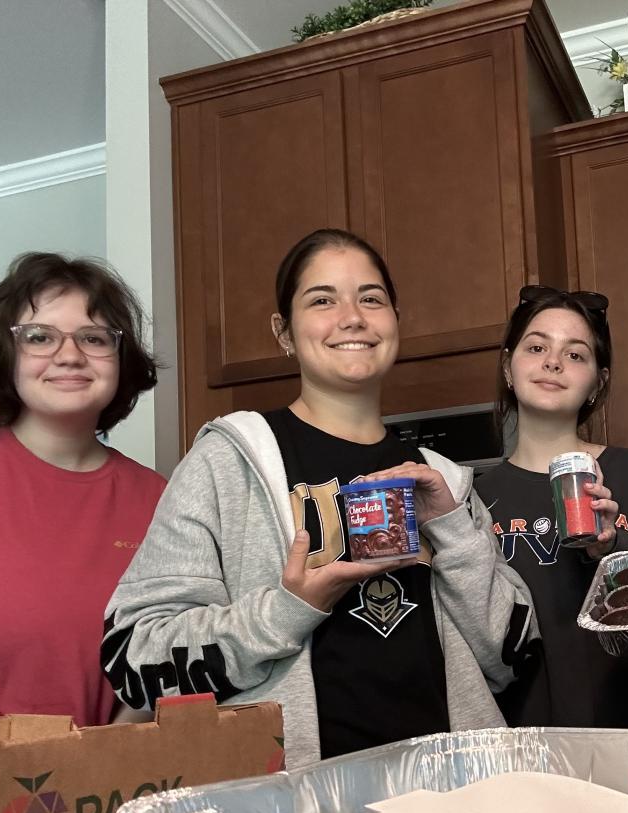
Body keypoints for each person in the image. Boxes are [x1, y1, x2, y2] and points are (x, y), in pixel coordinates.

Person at [101, 229, 534, 768]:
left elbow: (512, 658)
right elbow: (135, 660)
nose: (352, 317)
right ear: (283, 332)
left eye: (370, 298)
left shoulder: (443, 480)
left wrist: (452, 530)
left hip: (447, 795)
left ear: (395, 319)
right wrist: (286, 611)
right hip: (293, 806)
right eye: (322, 300)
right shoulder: (226, 463)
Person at [476, 285, 628, 728]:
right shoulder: (474, 500)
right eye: (536, 347)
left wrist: (612, 548)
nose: (553, 362)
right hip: (525, 742)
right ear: (508, 368)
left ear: (598, 383)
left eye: (575, 354)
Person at [0, 253, 164, 725]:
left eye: (94, 338)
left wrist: (106, 758)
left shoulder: (159, 498)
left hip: (113, 768)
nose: (70, 355)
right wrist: (16, 755)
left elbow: (162, 657)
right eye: (40, 337)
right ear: (6, 354)